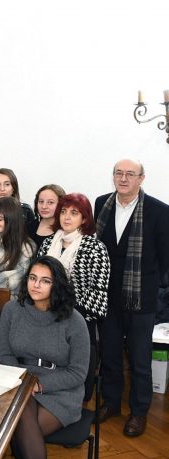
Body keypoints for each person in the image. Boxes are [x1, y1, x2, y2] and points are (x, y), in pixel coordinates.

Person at [94, 159, 169, 437]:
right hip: (108, 298)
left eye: (130, 174)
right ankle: (111, 403)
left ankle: (139, 412)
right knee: (110, 355)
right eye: (118, 173)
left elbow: (165, 260)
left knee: (140, 361)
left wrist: (149, 288)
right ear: (113, 176)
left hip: (141, 300)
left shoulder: (160, 211)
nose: (123, 178)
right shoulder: (101, 203)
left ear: (142, 178)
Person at [0, 256, 89, 459]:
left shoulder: (75, 321)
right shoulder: (11, 310)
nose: (36, 285)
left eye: (45, 281)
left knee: (16, 431)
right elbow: (5, 354)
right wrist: (23, 381)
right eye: (32, 278)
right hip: (19, 381)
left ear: (57, 285)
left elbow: (78, 373)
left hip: (60, 391)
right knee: (22, 415)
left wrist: (38, 385)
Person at [37, 192, 110, 401]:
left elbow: (98, 294)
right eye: (63, 212)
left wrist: (64, 307)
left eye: (74, 213)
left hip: (77, 321)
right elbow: (35, 279)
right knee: (47, 378)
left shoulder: (94, 248)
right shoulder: (48, 243)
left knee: (75, 380)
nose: (67, 217)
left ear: (84, 218)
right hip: (45, 318)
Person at [27, 184, 65, 249]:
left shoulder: (66, 230)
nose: (44, 206)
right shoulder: (28, 227)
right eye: (41, 202)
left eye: (50, 202)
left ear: (61, 204)